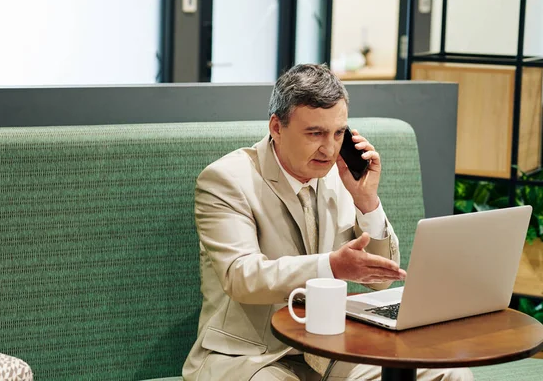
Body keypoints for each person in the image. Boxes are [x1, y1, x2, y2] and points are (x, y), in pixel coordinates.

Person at [182, 64, 473, 381]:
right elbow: (241, 277)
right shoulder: (227, 180)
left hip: (331, 348)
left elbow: (381, 279)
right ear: (276, 128)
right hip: (252, 356)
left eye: (338, 133)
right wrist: (332, 266)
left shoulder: (339, 176)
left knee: (448, 374)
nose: (330, 148)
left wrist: (367, 200)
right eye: (315, 133)